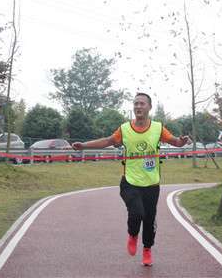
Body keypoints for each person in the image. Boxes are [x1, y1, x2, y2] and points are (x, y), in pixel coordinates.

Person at [72, 92, 190, 266]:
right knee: (137, 213)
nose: (138, 107)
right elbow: (107, 141)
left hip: (152, 183)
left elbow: (175, 142)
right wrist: (84, 146)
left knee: (149, 220)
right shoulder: (125, 129)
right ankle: (133, 234)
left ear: (149, 107)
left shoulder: (158, 128)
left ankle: (147, 249)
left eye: (142, 103)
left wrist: (182, 141)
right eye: (136, 104)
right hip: (130, 182)